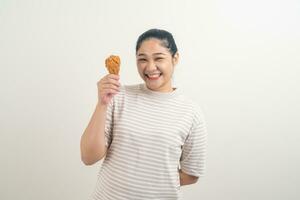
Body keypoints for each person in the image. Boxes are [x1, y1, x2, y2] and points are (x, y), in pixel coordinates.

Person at [80, 29, 208, 200]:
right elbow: (88, 157)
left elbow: (192, 174)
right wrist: (102, 104)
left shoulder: (191, 113)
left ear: (175, 58)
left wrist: (148, 185)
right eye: (142, 59)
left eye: (159, 58)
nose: (150, 67)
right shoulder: (118, 96)